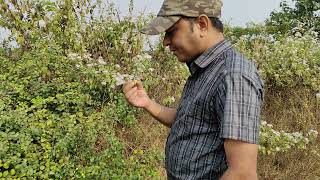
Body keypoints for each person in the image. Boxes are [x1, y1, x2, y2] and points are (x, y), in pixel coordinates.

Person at [123, 0, 264, 179]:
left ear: (202, 24)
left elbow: (242, 174)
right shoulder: (205, 69)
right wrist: (147, 103)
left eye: (171, 32)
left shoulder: (233, 75)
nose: (165, 42)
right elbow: (190, 120)